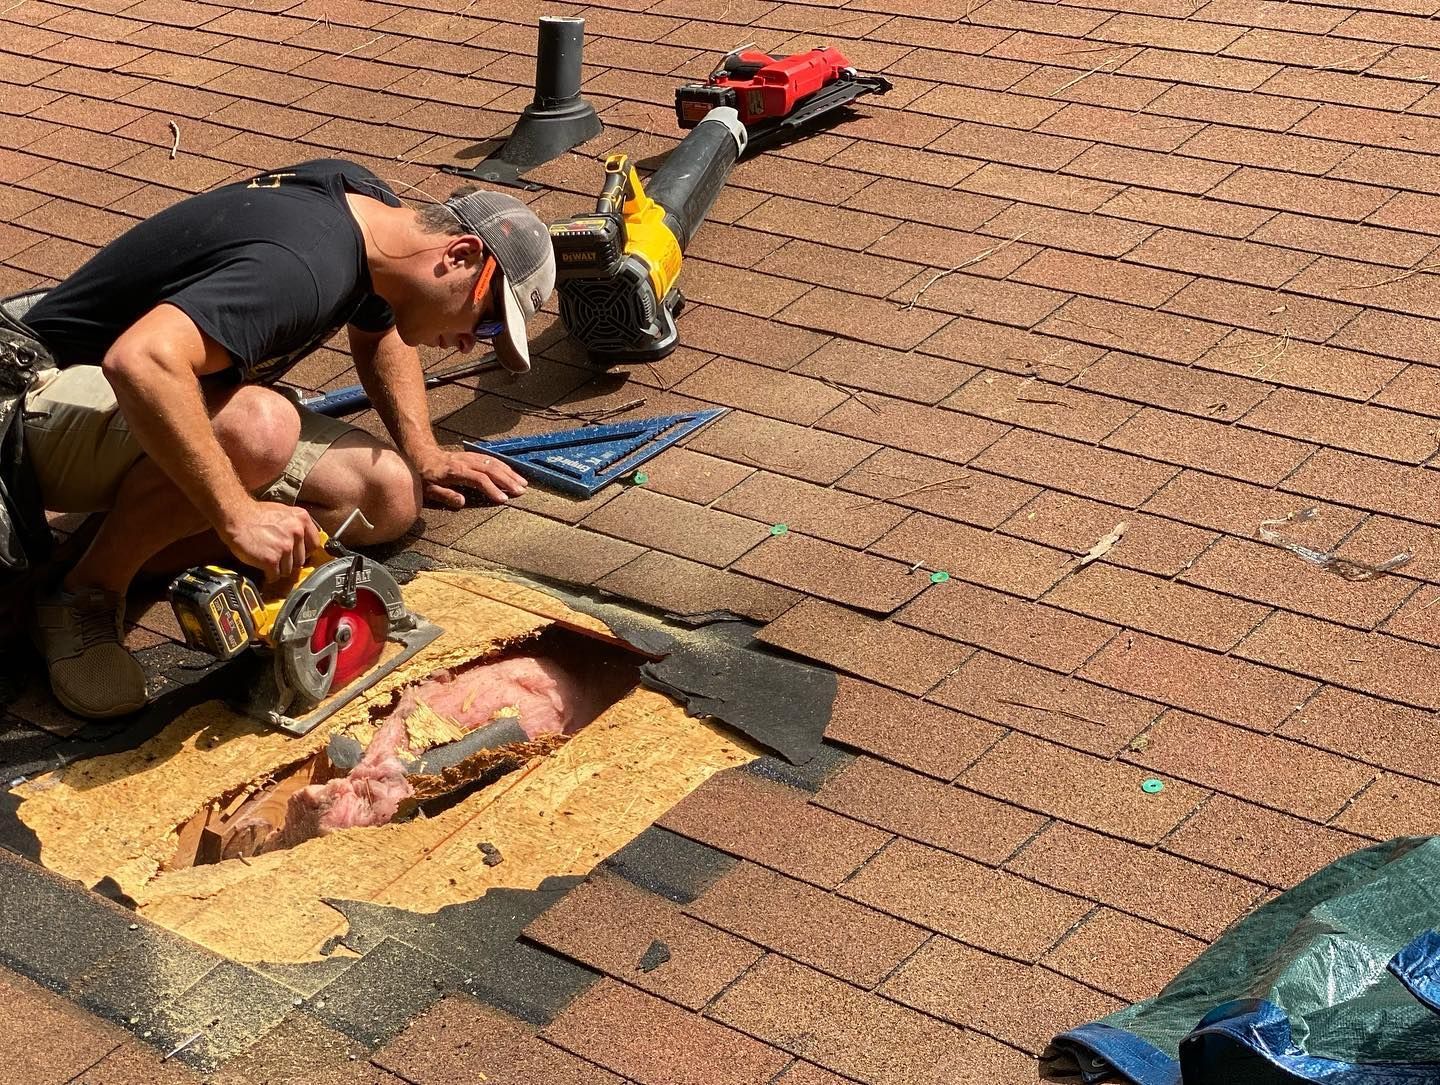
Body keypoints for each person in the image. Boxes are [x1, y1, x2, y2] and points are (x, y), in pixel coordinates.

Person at [12, 157, 555, 719]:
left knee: (384, 495)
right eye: (488, 320)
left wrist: (424, 453)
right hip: (30, 407)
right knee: (259, 429)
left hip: (129, 397)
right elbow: (141, 362)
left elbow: (382, 331)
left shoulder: (373, 218)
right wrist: (237, 515)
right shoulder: (304, 265)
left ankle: (131, 537)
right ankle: (82, 593)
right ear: (460, 255)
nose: (475, 343)